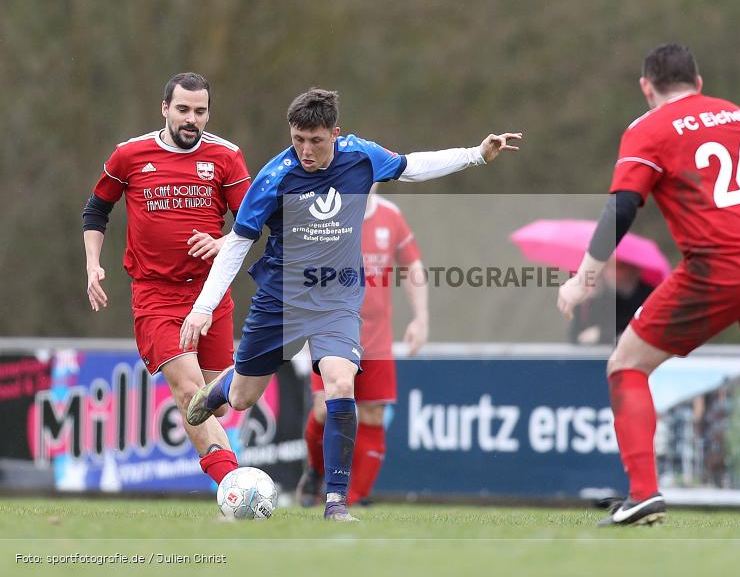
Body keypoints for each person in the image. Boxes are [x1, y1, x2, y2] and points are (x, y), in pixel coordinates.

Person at [179, 88, 520, 521]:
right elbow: (237, 245)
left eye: (315, 140)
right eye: (298, 139)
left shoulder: (361, 156)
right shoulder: (274, 176)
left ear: (335, 134)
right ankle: (220, 388)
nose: (305, 150)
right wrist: (204, 307)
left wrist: (476, 154)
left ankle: (335, 501)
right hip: (281, 299)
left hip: (336, 297)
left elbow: (414, 166)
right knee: (243, 398)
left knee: (341, 386)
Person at [557, 43, 740, 529]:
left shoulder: (646, 129)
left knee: (625, 364)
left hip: (720, 264)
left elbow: (623, 207)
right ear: (698, 81)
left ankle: (643, 494)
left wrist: (584, 278)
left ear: (646, 87)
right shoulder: (737, 115)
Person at [82, 72, 250, 486]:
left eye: (200, 111)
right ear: (165, 109)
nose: (191, 119)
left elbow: (251, 222)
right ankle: (233, 484)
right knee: (189, 390)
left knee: (220, 405)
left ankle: (232, 478)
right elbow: (95, 210)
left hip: (210, 296)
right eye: (183, 110)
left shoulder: (226, 157)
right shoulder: (130, 155)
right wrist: (93, 264)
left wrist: (222, 242)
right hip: (155, 296)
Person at [297, 183, 428, 507]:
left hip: (377, 338)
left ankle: (350, 501)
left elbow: (413, 266)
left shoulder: (390, 216)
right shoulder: (324, 215)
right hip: (331, 330)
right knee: (324, 410)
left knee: (372, 414)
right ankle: (316, 470)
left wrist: (421, 318)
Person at [569, 260, 654, 345]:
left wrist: (602, 334)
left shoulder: (650, 296)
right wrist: (584, 305)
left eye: (619, 268)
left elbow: (643, 329)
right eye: (608, 267)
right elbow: (577, 335)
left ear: (634, 270)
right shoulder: (601, 297)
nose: (610, 273)